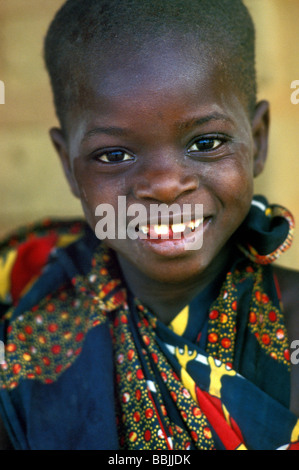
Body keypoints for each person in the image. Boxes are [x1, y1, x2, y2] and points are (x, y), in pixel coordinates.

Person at [0, 0, 298, 451]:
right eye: (114, 155)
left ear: (256, 141)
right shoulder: (24, 335)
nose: (164, 186)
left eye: (207, 142)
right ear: (68, 164)